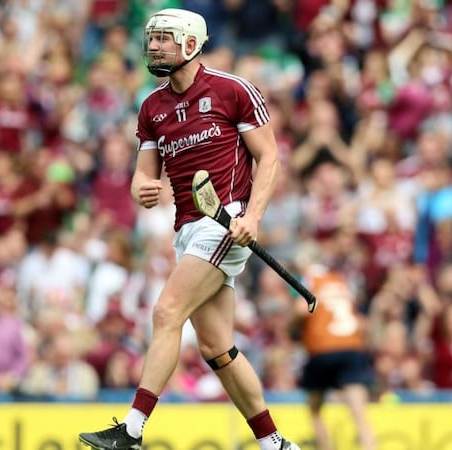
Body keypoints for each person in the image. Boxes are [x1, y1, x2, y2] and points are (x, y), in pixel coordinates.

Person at [78, 8, 300, 450]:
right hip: (187, 230)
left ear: (191, 44)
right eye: (152, 38)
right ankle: (275, 443)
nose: (155, 46)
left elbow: (269, 157)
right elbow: (144, 174)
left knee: (166, 312)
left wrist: (252, 217)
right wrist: (142, 187)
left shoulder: (232, 90)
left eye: (164, 38)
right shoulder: (151, 108)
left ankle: (133, 429)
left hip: (225, 221)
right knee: (217, 348)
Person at [292, 259, 376, 450]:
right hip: (351, 348)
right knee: (360, 415)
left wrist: (292, 327)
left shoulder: (309, 279)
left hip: (322, 348)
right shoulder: (340, 281)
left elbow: (300, 311)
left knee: (315, 410)